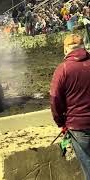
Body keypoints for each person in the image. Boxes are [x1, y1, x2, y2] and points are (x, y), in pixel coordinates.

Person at [50, 34, 90, 179]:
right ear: (83, 47)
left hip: (78, 126)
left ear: (65, 50)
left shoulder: (63, 69)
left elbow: (55, 99)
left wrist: (61, 122)